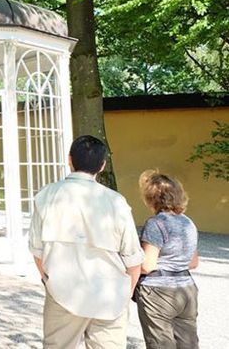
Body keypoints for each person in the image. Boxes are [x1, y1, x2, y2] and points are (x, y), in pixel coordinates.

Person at [28, 135, 144, 348]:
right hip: (110, 293)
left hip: (62, 290)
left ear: (69, 159)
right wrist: (125, 294)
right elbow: (133, 259)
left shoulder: (46, 196)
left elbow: (37, 251)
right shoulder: (116, 202)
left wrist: (48, 280)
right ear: (102, 165)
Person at [136, 170, 199, 348]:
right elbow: (193, 262)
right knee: (188, 343)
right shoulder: (188, 223)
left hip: (158, 291)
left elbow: (147, 265)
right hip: (186, 289)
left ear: (150, 198)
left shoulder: (156, 223)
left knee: (161, 344)